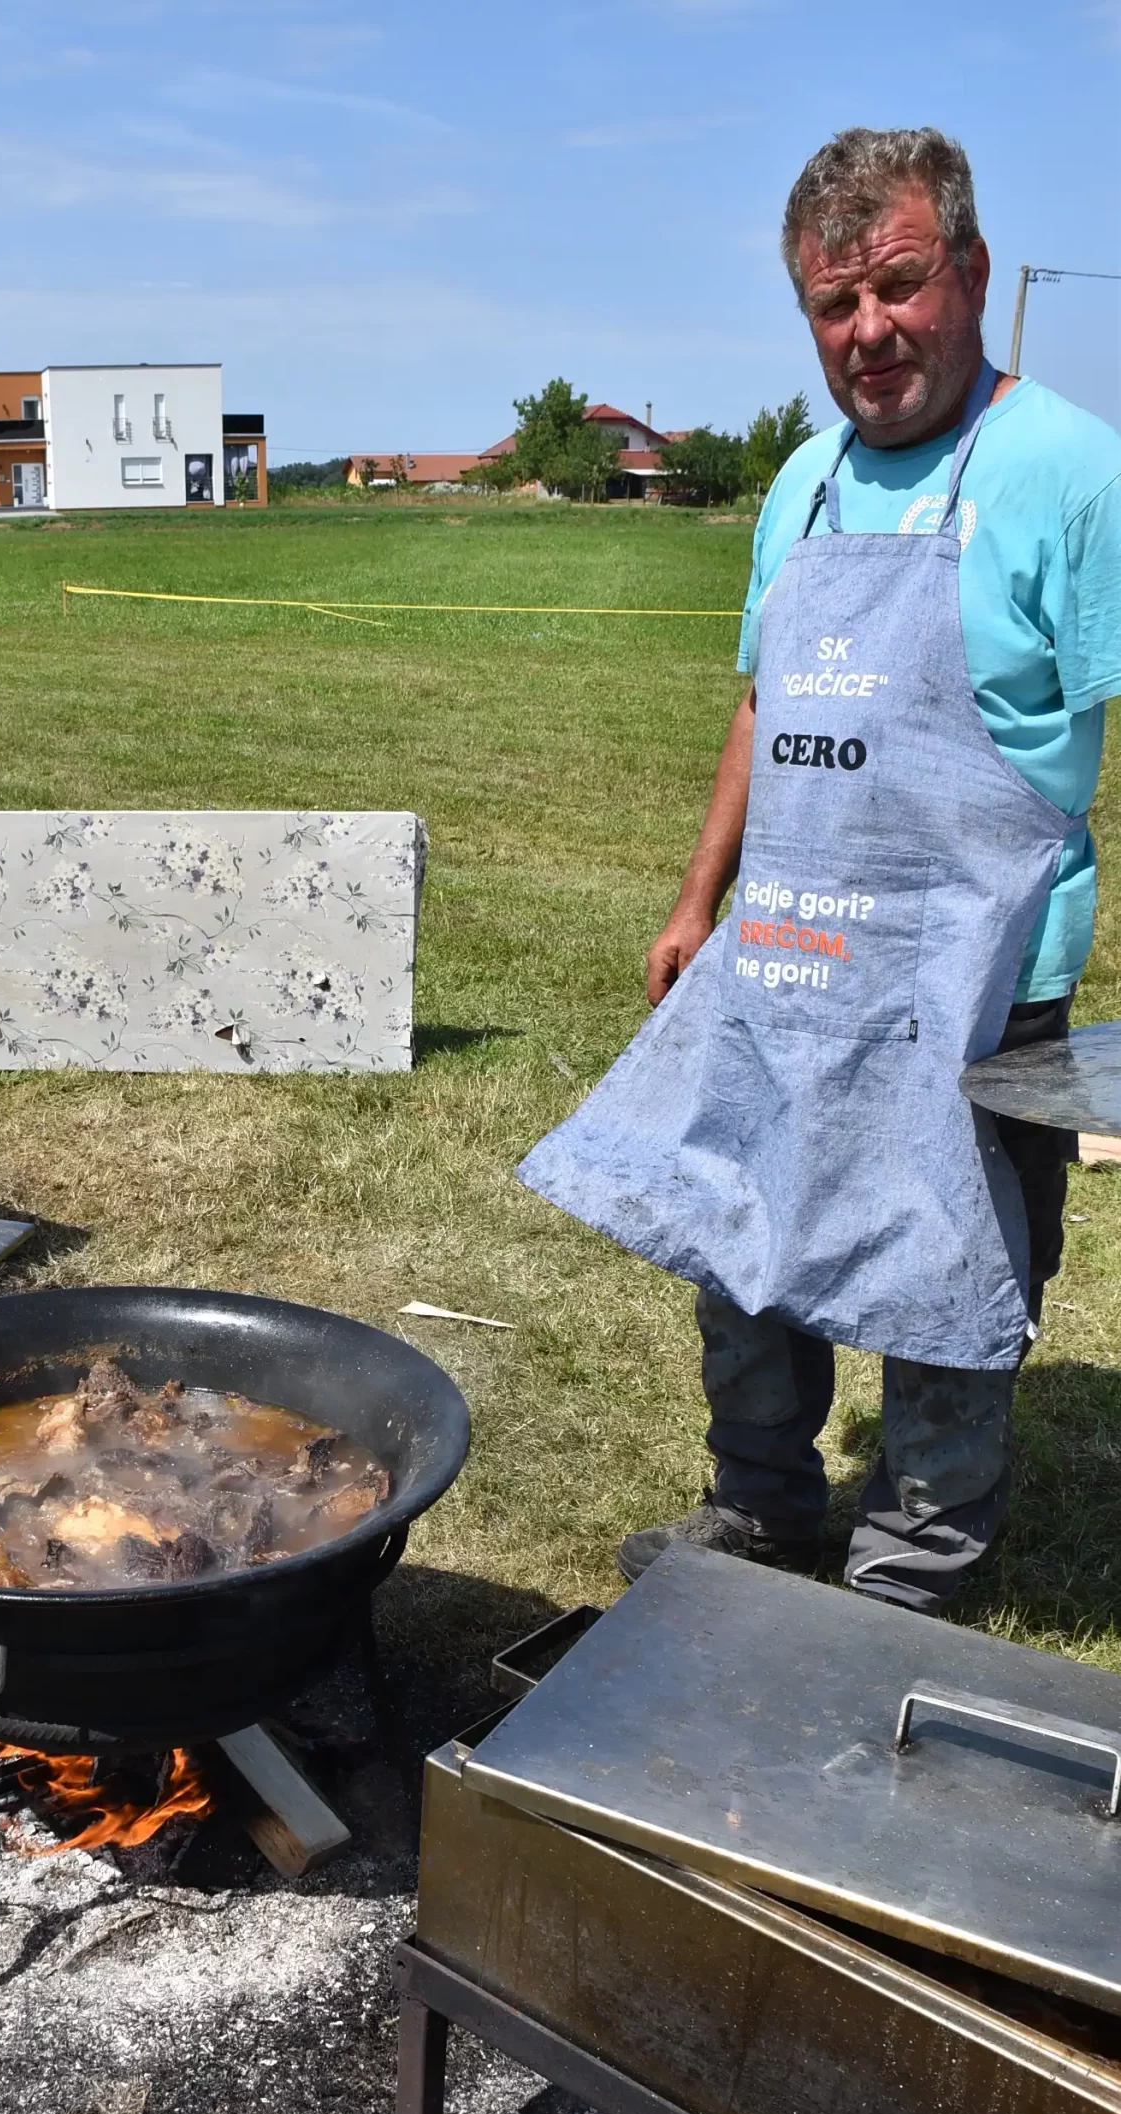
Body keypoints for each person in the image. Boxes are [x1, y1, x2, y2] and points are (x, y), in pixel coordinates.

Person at [518, 126, 1121, 1614]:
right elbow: (759, 701)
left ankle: (916, 1564)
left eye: (898, 287)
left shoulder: (1068, 474)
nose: (868, 333)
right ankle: (764, 1511)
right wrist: (692, 902)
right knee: (740, 1240)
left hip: (973, 988)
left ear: (967, 271)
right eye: (831, 308)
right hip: (788, 954)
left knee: (944, 1278)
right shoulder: (802, 482)